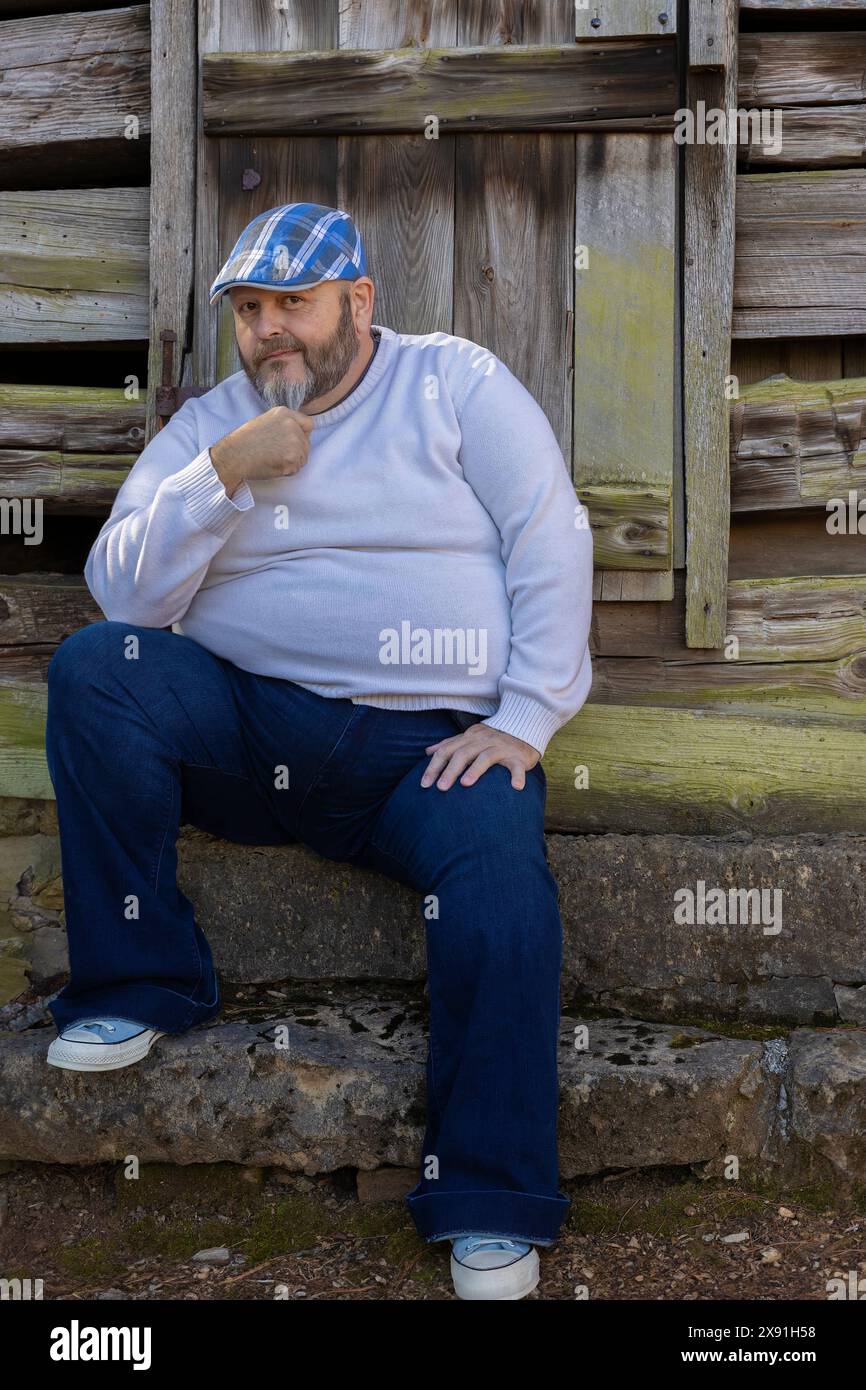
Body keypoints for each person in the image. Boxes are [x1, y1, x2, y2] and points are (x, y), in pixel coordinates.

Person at [43, 202, 594, 1300]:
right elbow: (123, 594)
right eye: (250, 311)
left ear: (358, 301)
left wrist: (525, 719)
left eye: (292, 302)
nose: (270, 331)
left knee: (499, 890)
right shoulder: (213, 423)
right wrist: (221, 474)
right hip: (253, 730)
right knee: (96, 667)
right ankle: (141, 980)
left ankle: (485, 1195)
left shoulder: (454, 383)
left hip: (427, 755)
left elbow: (549, 534)